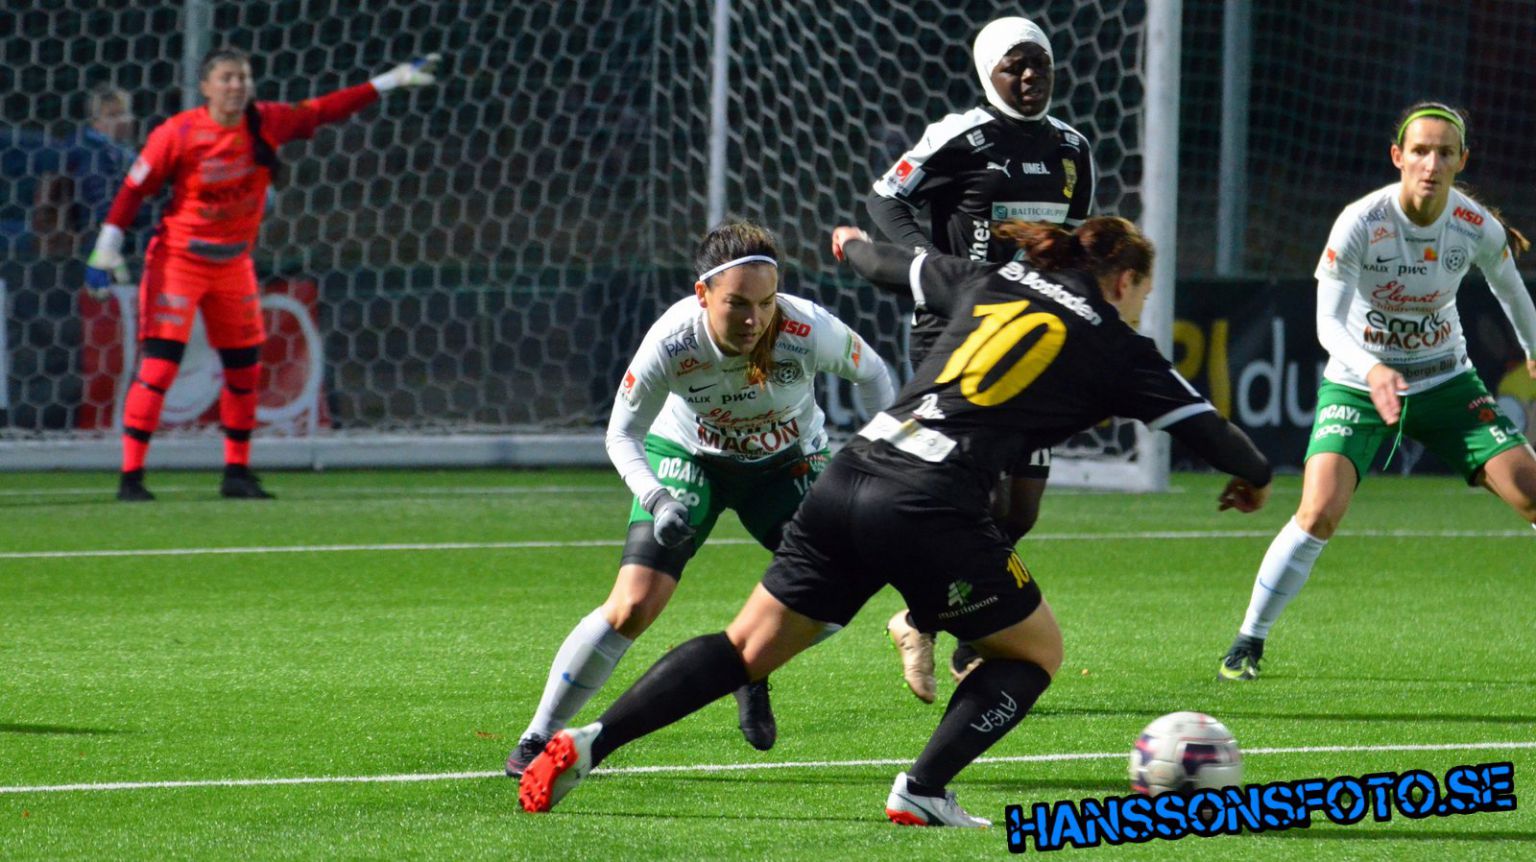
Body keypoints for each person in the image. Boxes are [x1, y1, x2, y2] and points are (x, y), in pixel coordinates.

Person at [518, 217, 1273, 825]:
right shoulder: (1118, 343)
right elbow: (1213, 434)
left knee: (744, 645)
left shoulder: (993, 279)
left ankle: (589, 742)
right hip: (932, 504)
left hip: (848, 474)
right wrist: (1257, 476)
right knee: (1036, 651)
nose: (1141, 305)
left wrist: (849, 244)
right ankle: (924, 789)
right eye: (1144, 292)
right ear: (1125, 280)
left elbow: (889, 264)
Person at [504, 220, 897, 778]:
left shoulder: (808, 328)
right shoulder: (672, 341)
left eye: (765, 303)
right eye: (737, 303)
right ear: (703, 295)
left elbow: (875, 375)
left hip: (787, 465)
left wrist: (871, 458)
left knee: (840, 593)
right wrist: (658, 499)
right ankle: (538, 735)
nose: (754, 319)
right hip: (689, 459)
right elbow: (621, 434)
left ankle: (746, 661)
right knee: (634, 604)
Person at [1218, 102, 1536, 682]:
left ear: (1462, 161)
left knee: (1530, 491)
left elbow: (1512, 292)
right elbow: (1327, 324)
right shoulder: (1361, 222)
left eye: (1444, 153)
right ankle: (1248, 641)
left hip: (1446, 379)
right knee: (1318, 511)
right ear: (1398, 157)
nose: (1431, 164)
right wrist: (1372, 370)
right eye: (1420, 151)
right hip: (1357, 384)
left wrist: (1534, 350)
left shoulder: (1473, 226)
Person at [83, 47, 441, 502]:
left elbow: (325, 109)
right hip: (179, 261)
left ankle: (237, 473)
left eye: (243, 77)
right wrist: (105, 251)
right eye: (227, 78)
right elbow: (133, 190)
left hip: (233, 264)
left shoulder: (265, 122)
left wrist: (389, 81)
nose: (237, 86)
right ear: (205, 87)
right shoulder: (179, 132)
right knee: (159, 366)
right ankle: (131, 478)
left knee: (244, 368)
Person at [866, 16, 1097, 703]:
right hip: (954, 332)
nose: (1028, 77)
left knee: (1019, 509)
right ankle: (953, 629)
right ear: (985, 73)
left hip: (1028, 336)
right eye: (1012, 66)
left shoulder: (1072, 149)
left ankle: (934, 621)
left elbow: (1069, 245)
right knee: (973, 497)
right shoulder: (960, 136)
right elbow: (884, 197)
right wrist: (927, 263)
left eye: (1038, 65)